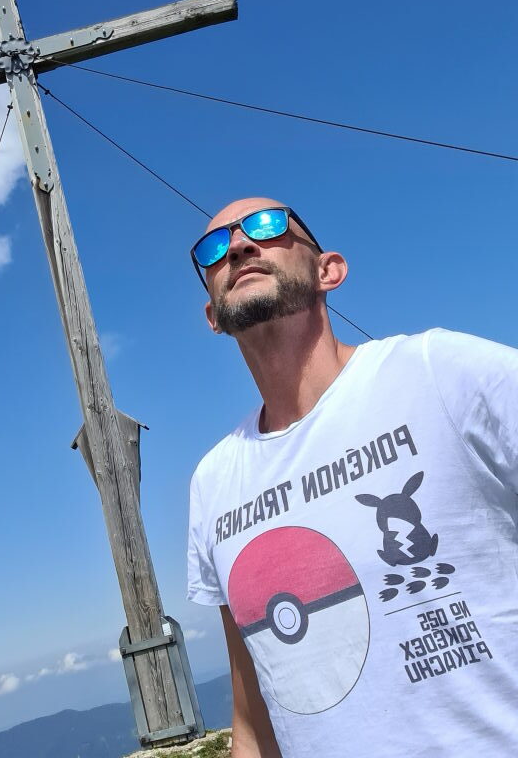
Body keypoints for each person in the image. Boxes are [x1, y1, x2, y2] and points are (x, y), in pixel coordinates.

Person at [187, 197, 518, 757]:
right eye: (213, 249)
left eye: (266, 227)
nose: (239, 246)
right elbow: (253, 723)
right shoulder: (213, 482)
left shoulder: (439, 372)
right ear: (214, 316)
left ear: (328, 271)